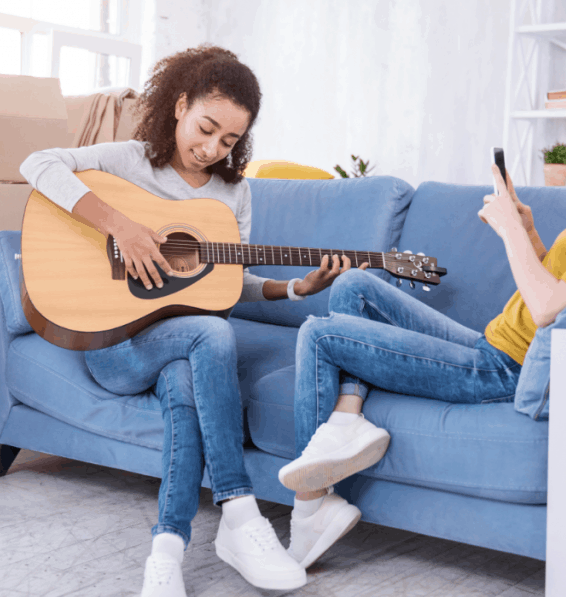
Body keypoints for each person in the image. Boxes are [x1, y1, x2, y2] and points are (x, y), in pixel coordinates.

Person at [276, 76, 566, 570]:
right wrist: (528, 230)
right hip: (494, 342)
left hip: (500, 368)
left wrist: (509, 232)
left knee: (319, 334)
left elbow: (549, 308)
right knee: (354, 285)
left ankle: (310, 507)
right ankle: (347, 418)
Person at [19, 45, 360, 597]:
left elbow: (224, 285)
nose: (211, 148)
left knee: (190, 367)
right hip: (115, 344)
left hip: (182, 343)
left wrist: (296, 288)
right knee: (212, 331)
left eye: (229, 140)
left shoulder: (233, 194)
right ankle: (240, 512)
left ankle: (167, 550)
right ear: (179, 105)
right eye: (205, 128)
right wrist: (122, 228)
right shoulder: (129, 161)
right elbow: (36, 164)